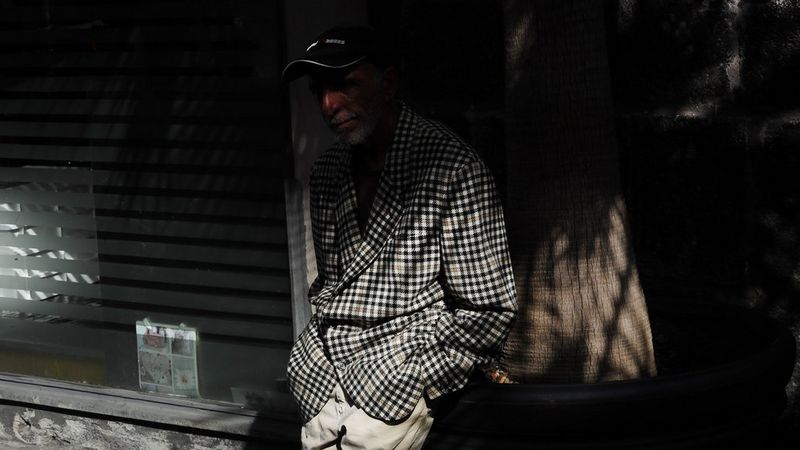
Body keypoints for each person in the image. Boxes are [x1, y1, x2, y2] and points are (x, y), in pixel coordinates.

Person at [282, 25, 517, 450]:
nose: (329, 105)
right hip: (322, 380)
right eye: (319, 92)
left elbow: (489, 310)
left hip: (393, 386)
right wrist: (310, 359)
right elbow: (331, 286)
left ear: (388, 83)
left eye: (345, 85)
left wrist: (412, 375)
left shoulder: (451, 169)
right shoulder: (328, 172)